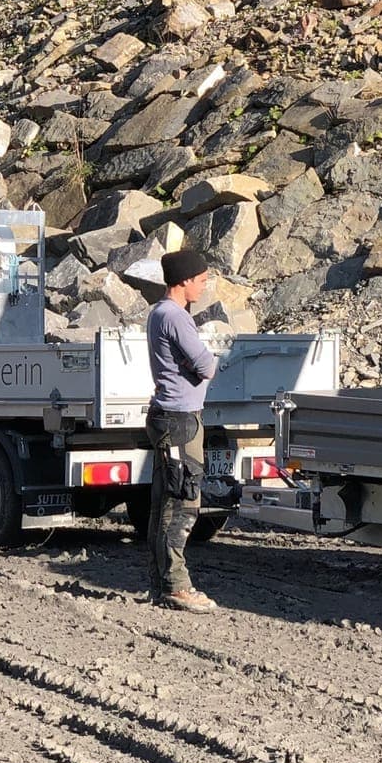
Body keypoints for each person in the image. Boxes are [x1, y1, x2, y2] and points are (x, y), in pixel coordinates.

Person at [146, 248, 218, 612]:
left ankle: (164, 583)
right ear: (185, 280)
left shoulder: (163, 313)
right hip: (179, 421)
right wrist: (209, 362)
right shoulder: (174, 316)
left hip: (172, 417)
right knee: (182, 503)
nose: (205, 287)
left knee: (167, 503)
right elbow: (206, 365)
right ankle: (176, 586)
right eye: (203, 280)